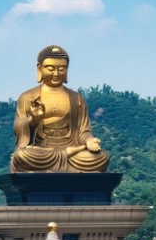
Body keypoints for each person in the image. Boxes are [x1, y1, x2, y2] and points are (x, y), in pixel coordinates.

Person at [10, 45, 110, 173]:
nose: (56, 73)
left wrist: (89, 140)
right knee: (22, 155)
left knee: (103, 157)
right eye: (50, 68)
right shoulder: (27, 97)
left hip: (72, 151)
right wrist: (33, 119)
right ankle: (65, 159)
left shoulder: (77, 99)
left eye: (61, 68)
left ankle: (64, 159)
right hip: (42, 150)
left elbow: (83, 131)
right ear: (40, 68)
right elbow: (19, 128)